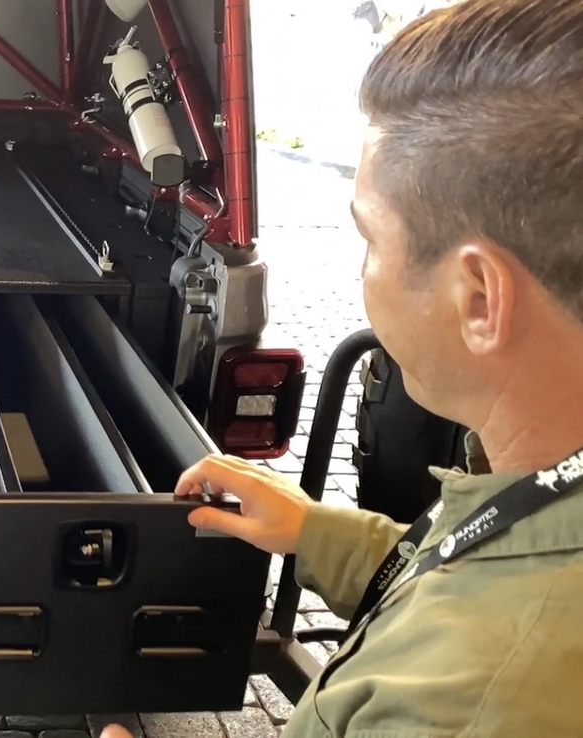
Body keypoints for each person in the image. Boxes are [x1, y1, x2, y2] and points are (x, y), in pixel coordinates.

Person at [102, 0, 583, 735]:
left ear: (479, 298)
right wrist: (318, 532)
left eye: (370, 240)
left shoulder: (465, 695)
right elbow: (476, 573)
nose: (365, 271)